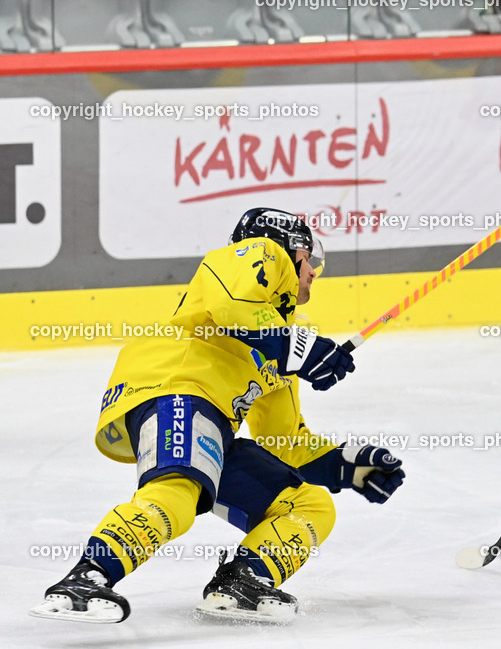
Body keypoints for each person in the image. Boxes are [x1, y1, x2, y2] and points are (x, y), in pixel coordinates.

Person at [30, 207, 405, 623]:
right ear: (286, 248)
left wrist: (344, 467)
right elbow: (235, 305)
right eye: (308, 257)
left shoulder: (282, 334)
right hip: (177, 386)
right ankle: (86, 577)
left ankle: (243, 579)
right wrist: (297, 346)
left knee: (308, 504)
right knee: (176, 491)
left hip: (210, 422)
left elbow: (283, 439)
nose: (314, 270)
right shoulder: (256, 254)